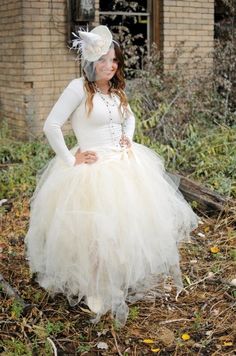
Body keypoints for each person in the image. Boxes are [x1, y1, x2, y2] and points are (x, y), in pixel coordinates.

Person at [25, 25, 199, 326]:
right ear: (91, 61)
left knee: (122, 227)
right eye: (104, 60)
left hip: (124, 165)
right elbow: (51, 126)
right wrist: (70, 158)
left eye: (115, 60)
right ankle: (94, 286)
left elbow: (128, 117)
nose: (110, 66)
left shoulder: (115, 90)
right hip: (91, 170)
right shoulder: (77, 88)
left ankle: (114, 278)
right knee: (93, 233)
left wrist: (128, 137)